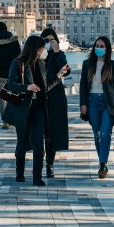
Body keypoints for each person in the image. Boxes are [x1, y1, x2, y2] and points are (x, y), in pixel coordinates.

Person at [2, 35, 70, 186]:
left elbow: (44, 89)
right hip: (23, 110)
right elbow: (11, 85)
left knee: (39, 143)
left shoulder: (41, 64)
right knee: (22, 143)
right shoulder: (17, 63)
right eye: (41, 47)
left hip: (39, 109)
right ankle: (19, 173)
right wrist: (27, 87)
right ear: (35, 48)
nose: (44, 50)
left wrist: (59, 75)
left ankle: (37, 177)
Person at [79, 36, 114, 179]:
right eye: (97, 46)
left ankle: (102, 164)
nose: (99, 48)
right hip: (92, 102)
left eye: (102, 46)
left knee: (106, 134)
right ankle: (103, 161)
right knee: (97, 135)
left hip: (108, 103)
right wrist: (83, 104)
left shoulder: (113, 65)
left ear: (107, 49)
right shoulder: (87, 64)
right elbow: (83, 85)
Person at [40, 28, 70, 178]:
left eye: (52, 40)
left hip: (56, 97)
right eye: (46, 40)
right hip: (39, 97)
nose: (49, 43)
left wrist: (58, 53)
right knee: (41, 131)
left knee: (52, 133)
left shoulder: (59, 54)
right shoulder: (37, 56)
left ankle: (49, 164)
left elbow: (66, 70)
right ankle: (40, 159)